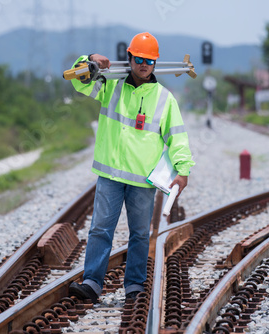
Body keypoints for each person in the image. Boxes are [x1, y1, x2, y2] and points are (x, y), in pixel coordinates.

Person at [68, 32, 194, 303]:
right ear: (130, 58)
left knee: (139, 234)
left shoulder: (164, 98)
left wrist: (183, 171)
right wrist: (89, 59)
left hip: (142, 182)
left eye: (149, 60)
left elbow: (177, 137)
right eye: (139, 58)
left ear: (155, 63)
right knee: (101, 229)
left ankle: (134, 286)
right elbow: (79, 81)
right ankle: (92, 282)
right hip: (110, 175)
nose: (144, 64)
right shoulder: (109, 85)